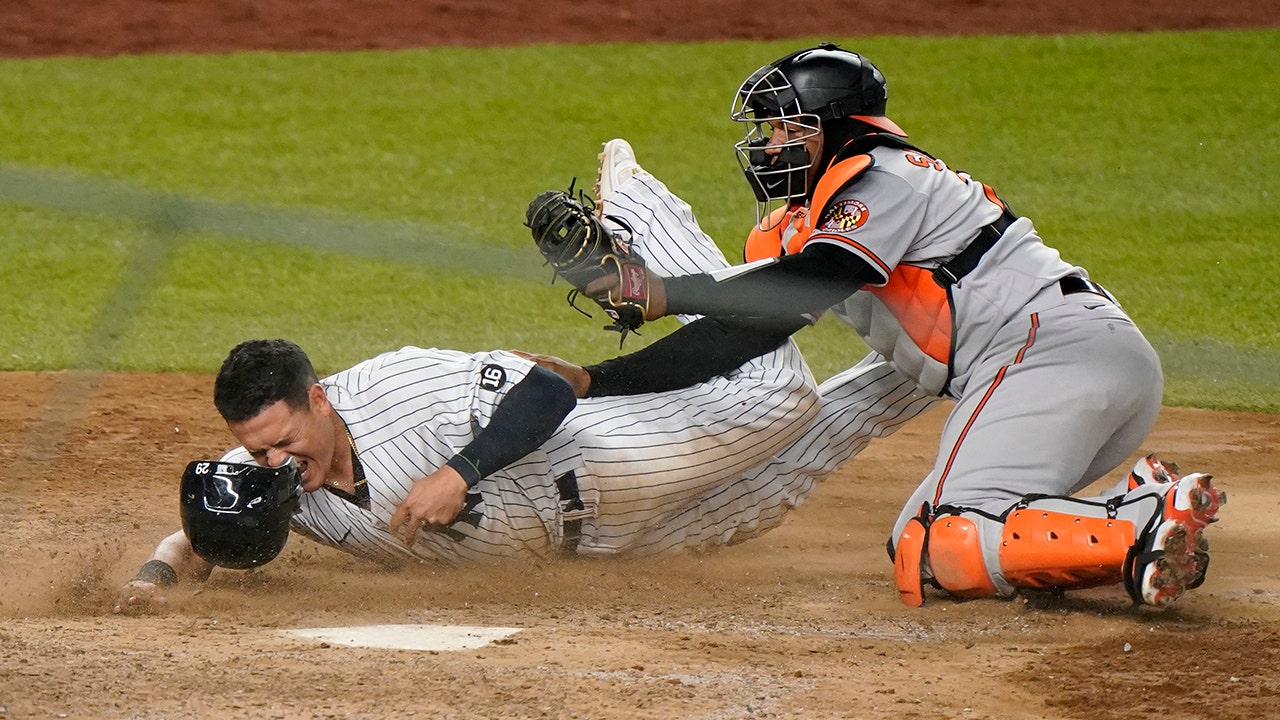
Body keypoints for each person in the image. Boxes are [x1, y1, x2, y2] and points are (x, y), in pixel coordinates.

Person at [578, 43, 1226, 608]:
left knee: (953, 535)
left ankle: (1140, 523)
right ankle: (1136, 508)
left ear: (835, 129)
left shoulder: (886, 178)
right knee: (917, 548)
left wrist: (665, 292)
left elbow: (812, 280)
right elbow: (740, 331)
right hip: (1069, 372)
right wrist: (597, 377)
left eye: (784, 129)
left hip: (1047, 357)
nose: (767, 145)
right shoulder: (819, 218)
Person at [115, 180, 937, 613]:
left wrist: (461, 470)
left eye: (281, 439)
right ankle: (937, 358)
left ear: (318, 399)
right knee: (796, 468)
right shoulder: (272, 473)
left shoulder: (399, 389)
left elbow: (549, 384)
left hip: (604, 463)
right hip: (613, 549)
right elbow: (201, 527)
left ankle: (647, 225)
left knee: (780, 392)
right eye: (257, 448)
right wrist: (159, 573)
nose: (272, 461)